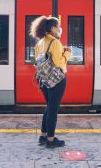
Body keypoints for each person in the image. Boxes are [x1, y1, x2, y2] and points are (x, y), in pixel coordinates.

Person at [30, 16, 72, 148]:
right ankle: (50, 140)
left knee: (49, 107)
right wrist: (68, 53)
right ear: (53, 28)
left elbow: (36, 62)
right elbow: (59, 62)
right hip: (56, 80)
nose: (60, 29)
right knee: (53, 109)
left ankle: (43, 136)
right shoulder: (55, 42)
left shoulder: (40, 43)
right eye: (58, 26)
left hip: (43, 80)